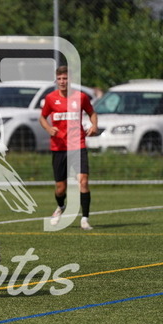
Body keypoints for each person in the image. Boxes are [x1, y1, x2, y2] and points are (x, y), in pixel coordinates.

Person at [39, 65, 98, 230]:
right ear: (56, 80)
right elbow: (42, 117)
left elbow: (92, 113)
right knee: (60, 188)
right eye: (59, 79)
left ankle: (85, 219)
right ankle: (61, 206)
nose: (62, 81)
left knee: (83, 181)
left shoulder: (81, 97)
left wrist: (94, 125)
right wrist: (48, 128)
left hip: (77, 145)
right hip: (58, 147)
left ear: (70, 80)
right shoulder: (50, 98)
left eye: (65, 78)